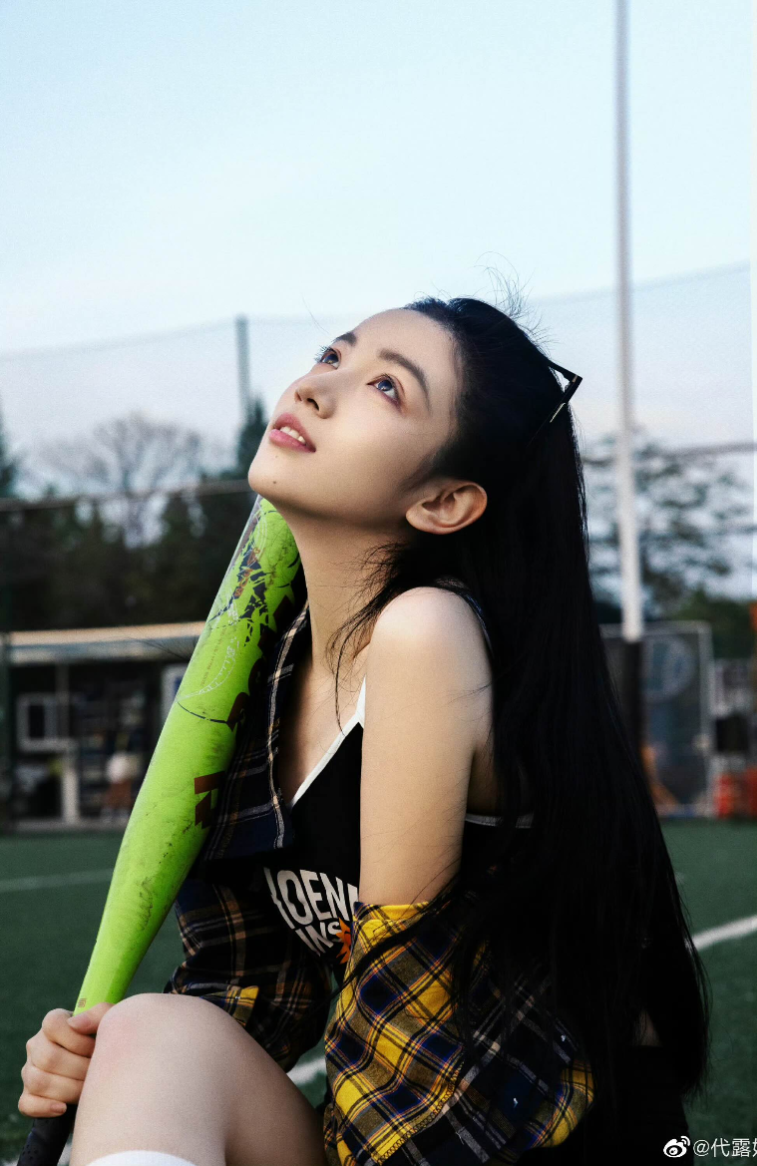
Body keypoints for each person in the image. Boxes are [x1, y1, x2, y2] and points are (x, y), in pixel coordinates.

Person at [19, 289, 711, 1166]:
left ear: (445, 500)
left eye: (388, 388)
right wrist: (95, 1062)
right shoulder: (269, 670)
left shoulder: (427, 636)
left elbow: (399, 1022)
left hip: (531, 1139)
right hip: (401, 1112)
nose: (316, 387)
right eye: (333, 356)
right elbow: (251, 981)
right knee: (148, 1037)